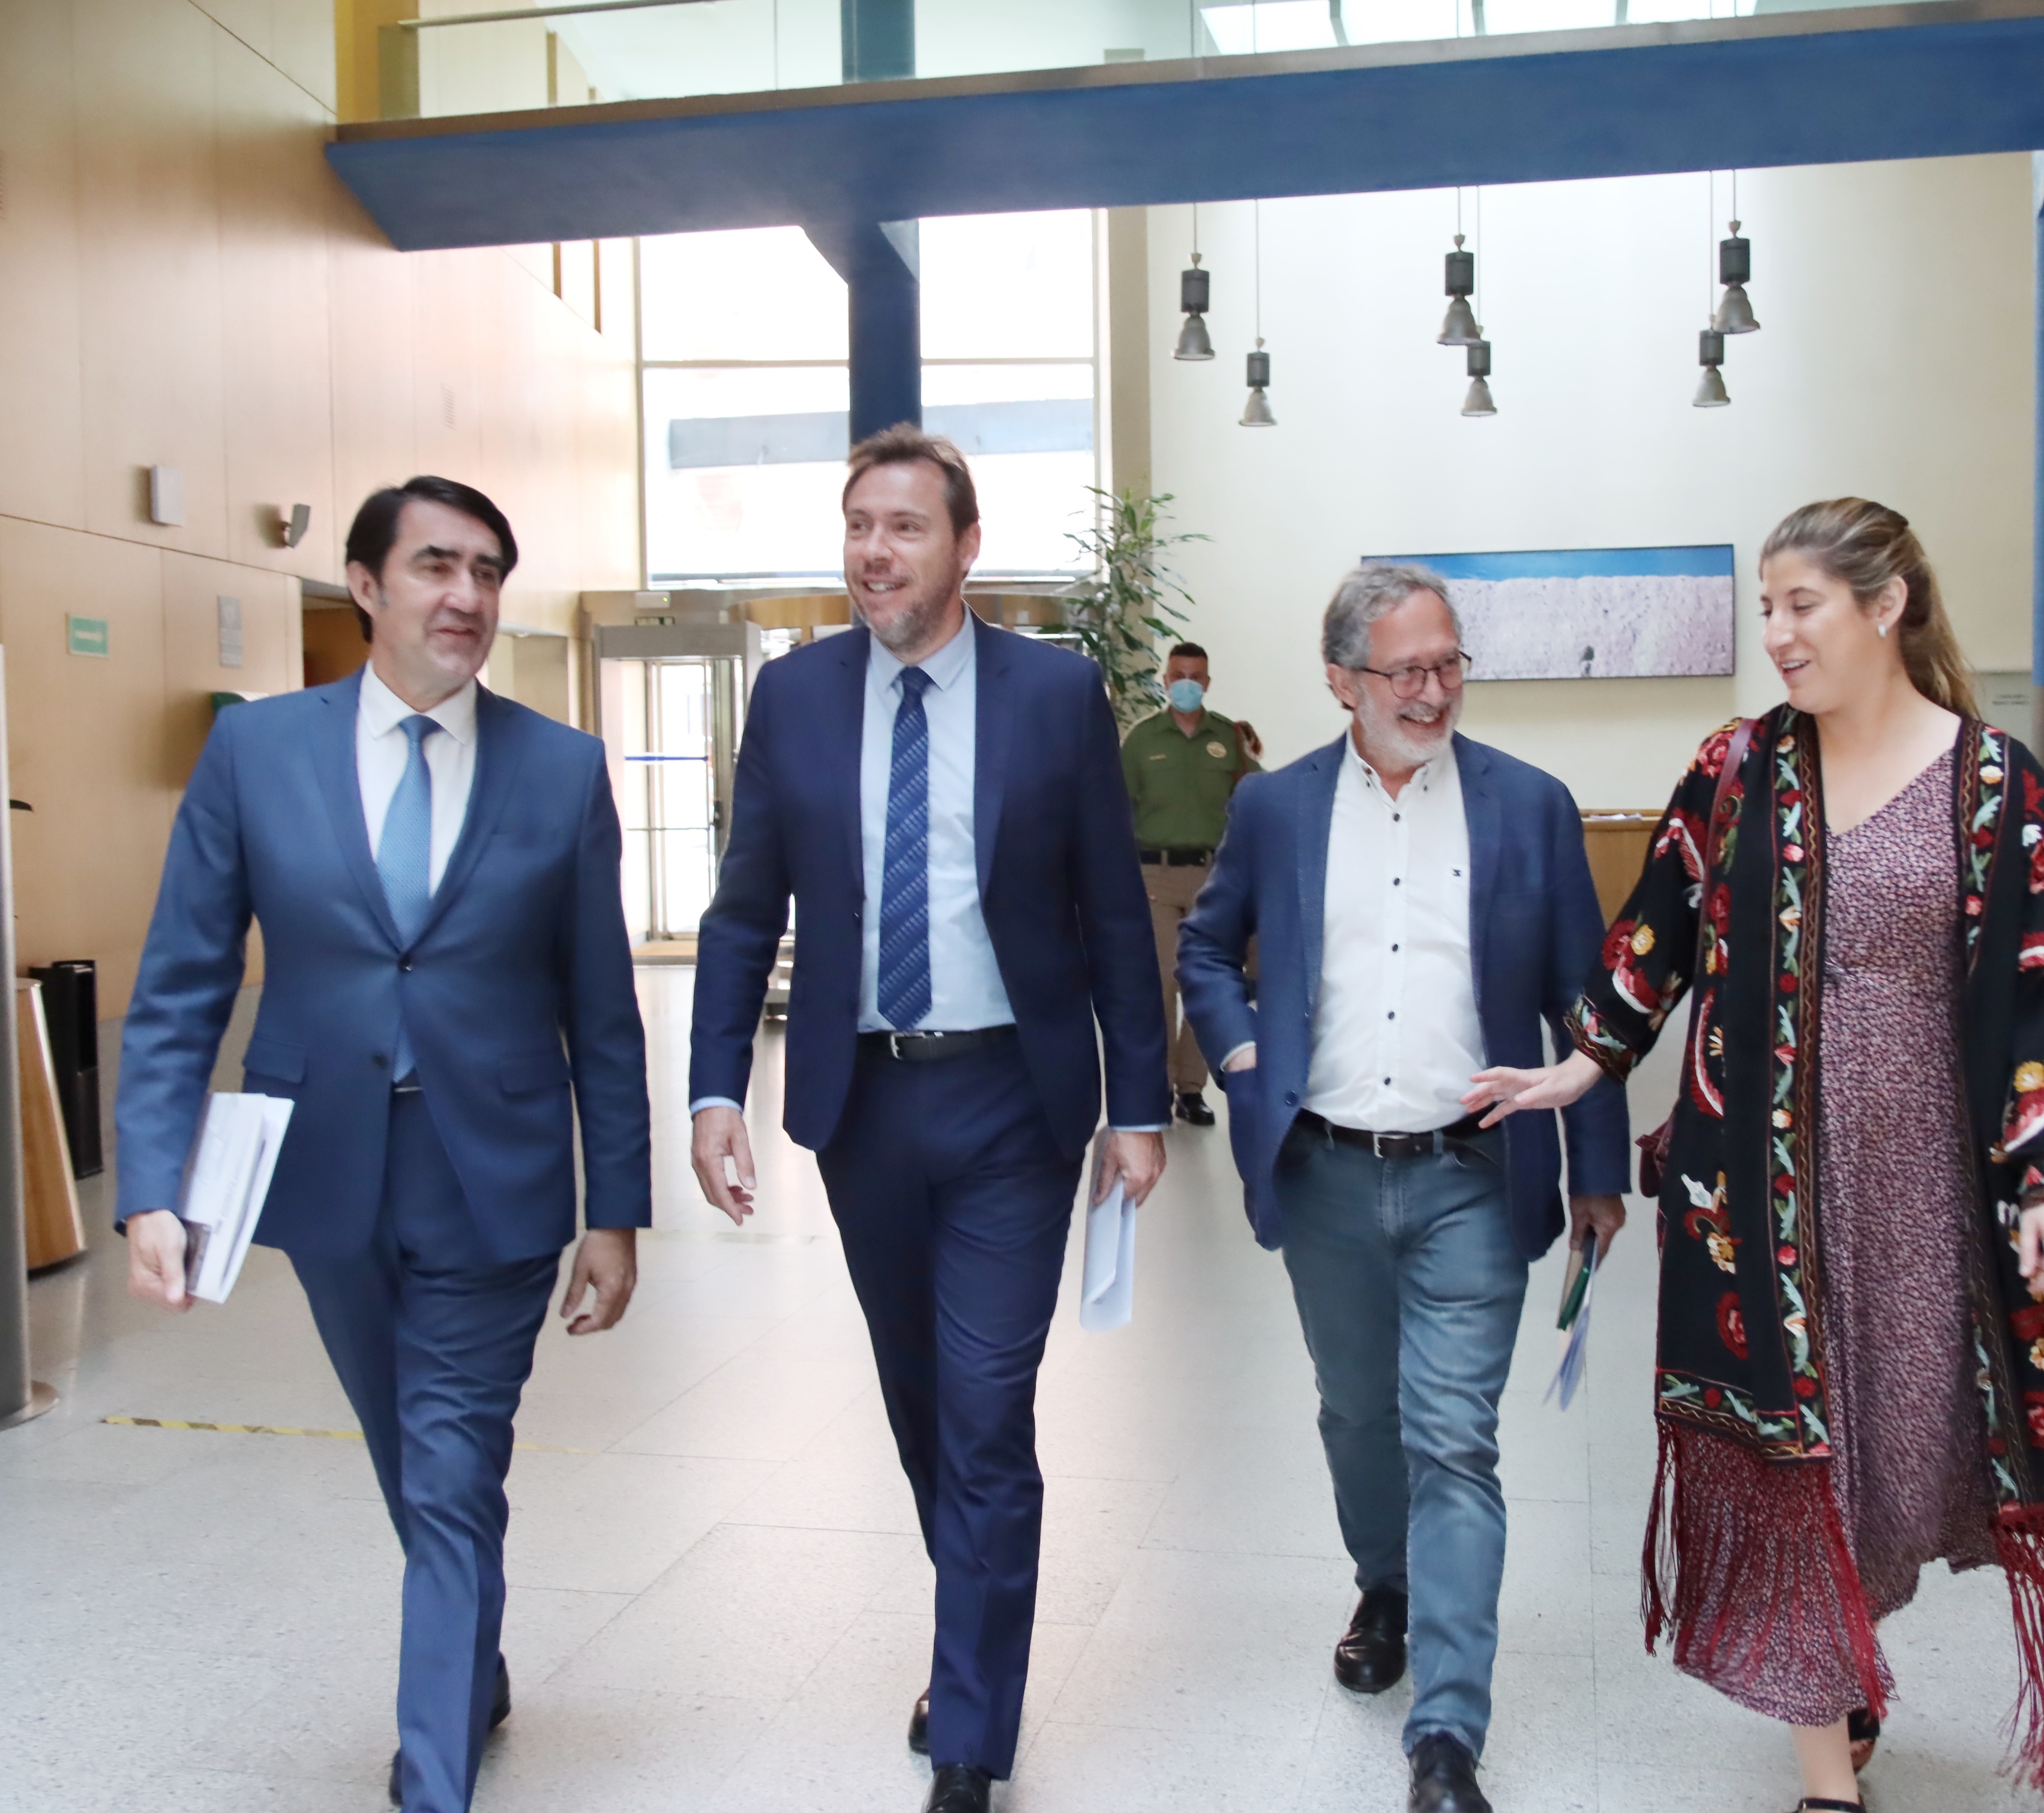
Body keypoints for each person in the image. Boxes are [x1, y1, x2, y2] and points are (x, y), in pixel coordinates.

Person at [1464, 500, 2044, 1809]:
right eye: (1766, 606)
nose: (1777, 632)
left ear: (1886, 604)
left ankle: (1846, 1644)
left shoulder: (1996, 786)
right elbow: (1659, 924)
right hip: (1757, 1198)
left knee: (1894, 1460)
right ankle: (1825, 1772)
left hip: (1926, 1194)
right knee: (1790, 1466)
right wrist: (1583, 1062)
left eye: (1800, 603)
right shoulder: (1738, 767)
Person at [114, 477, 650, 1813]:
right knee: (407, 1457)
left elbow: (602, 1010)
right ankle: (470, 1662)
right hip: (327, 1170)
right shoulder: (257, 753)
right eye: (435, 566)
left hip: (494, 1173)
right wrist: (152, 1186)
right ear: (364, 584)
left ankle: (432, 1780)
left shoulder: (560, 768)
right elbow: (181, 982)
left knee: (453, 1461)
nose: (466, 596)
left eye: (487, 572)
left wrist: (616, 1209)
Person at [686, 427, 1170, 1813]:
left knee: (985, 1408)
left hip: (1012, 1098)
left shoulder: (1053, 694)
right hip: (862, 1103)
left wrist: (1138, 1101)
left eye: (903, 525)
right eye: (858, 525)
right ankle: (971, 1629)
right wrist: (715, 1085)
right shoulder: (793, 696)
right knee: (919, 1404)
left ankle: (970, 1731)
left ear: (966, 547)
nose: (874, 551)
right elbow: (743, 908)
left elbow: (1109, 907)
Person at [1177, 567, 1631, 1813]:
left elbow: (1588, 1001)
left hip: (1473, 1172)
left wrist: (1596, 1166)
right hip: (1323, 1170)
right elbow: (1206, 946)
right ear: (1342, 680)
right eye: (1405, 671)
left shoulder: (1528, 805)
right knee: (1357, 1416)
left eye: (1448, 664)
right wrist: (1239, 1051)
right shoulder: (1275, 806)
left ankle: (1445, 1736)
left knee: (1453, 1438)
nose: (1432, 691)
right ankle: (1386, 1581)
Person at [1119, 639, 1259, 1126]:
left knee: (1203, 982)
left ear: (1207, 682)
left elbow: (1256, 797)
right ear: (1165, 680)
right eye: (1178, 675)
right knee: (1160, 984)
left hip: (1212, 876)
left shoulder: (1229, 737)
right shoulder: (1142, 739)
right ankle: (1156, 1084)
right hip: (1154, 877)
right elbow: (1116, 811)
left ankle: (1191, 1088)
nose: (1186, 684)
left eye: (1195, 677)